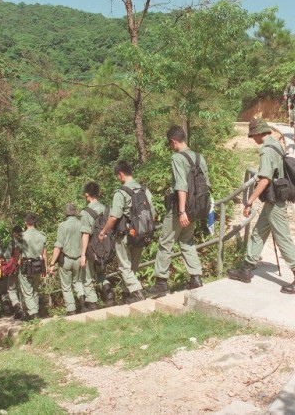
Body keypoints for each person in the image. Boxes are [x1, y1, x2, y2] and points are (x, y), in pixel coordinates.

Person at [227, 119, 295, 294]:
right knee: (258, 232)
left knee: (283, 239)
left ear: (258, 133)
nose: (253, 139)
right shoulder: (276, 144)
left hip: (275, 202)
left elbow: (265, 179)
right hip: (274, 200)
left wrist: (249, 201)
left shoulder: (266, 150)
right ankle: (246, 269)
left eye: (252, 136)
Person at [148, 125, 210, 298]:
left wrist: (182, 211)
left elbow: (181, 186)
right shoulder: (199, 157)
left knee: (165, 242)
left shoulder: (177, 158)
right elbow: (207, 184)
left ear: (173, 141)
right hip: (197, 206)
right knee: (187, 241)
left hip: (180, 208)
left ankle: (161, 282)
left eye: (170, 144)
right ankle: (196, 277)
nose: (170, 147)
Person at [98, 161, 153, 303]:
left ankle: (137, 291)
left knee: (124, 266)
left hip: (124, 235)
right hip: (141, 233)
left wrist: (103, 232)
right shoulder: (144, 190)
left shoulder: (121, 192)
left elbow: (114, 217)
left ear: (120, 174)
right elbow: (152, 213)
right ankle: (126, 295)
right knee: (132, 266)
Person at [49, 203, 91, 316]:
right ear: (75, 212)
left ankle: (71, 309)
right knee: (78, 282)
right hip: (79, 258)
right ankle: (83, 303)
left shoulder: (62, 225)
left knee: (66, 286)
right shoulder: (81, 223)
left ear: (65, 213)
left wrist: (52, 263)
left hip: (66, 260)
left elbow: (58, 245)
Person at [80, 181, 115, 307]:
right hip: (105, 247)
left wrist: (82, 255)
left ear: (86, 194)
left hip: (92, 250)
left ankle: (92, 302)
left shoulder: (85, 212)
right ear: (99, 193)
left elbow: (85, 234)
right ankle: (108, 292)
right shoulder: (106, 209)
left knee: (87, 277)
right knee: (101, 273)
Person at [18, 213, 47, 320]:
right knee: (35, 290)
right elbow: (44, 254)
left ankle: (33, 313)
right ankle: (35, 312)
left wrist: (18, 264)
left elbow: (18, 254)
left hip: (26, 266)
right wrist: (45, 269)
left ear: (25, 222)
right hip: (38, 266)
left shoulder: (22, 236)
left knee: (27, 292)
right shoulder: (42, 235)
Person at [4, 225, 25, 320]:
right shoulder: (26, 240)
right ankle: (24, 310)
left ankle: (17, 306)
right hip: (27, 267)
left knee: (11, 289)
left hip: (15, 268)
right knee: (23, 289)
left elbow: (7, 256)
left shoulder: (12, 242)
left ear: (14, 233)